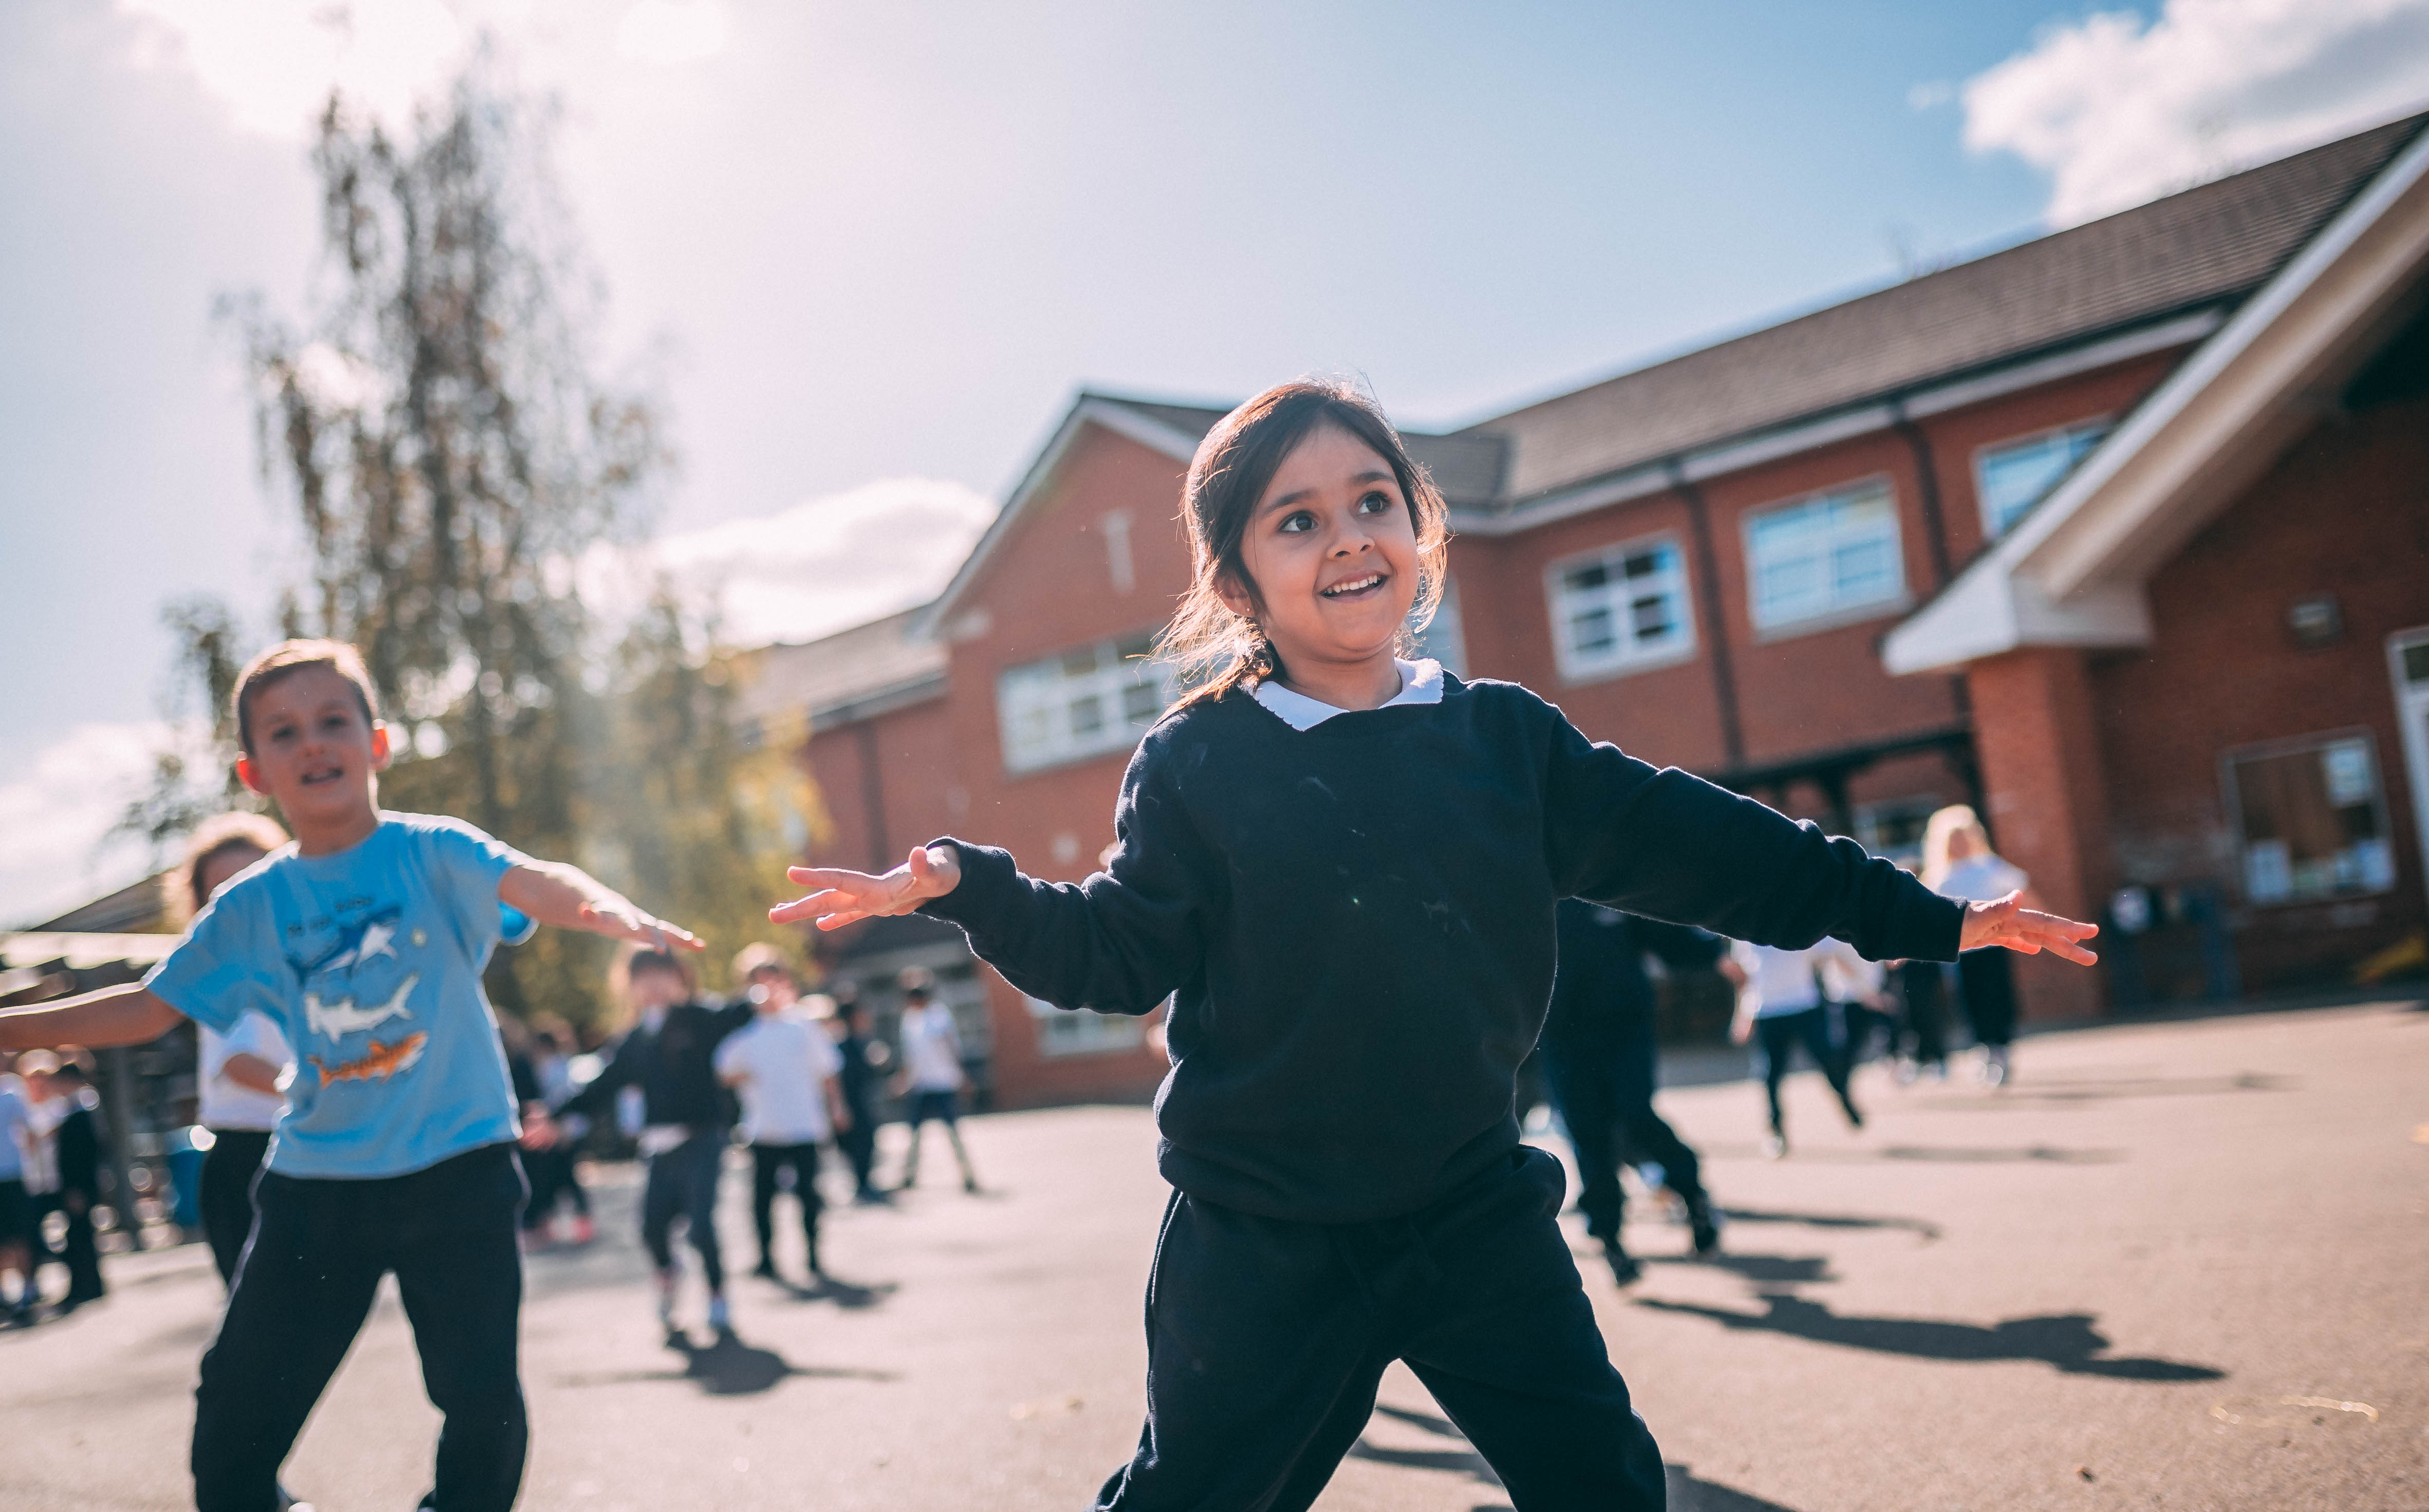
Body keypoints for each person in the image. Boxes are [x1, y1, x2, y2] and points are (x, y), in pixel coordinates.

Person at [770, 379, 2101, 1511]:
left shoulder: (1502, 739)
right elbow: (1112, 954)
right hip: (1262, 1228)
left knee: (1604, 1483)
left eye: (1370, 501)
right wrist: (963, 882)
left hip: (1467, 1205)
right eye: (1295, 520)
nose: (1345, 538)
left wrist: (1921, 911)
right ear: (1237, 577)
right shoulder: (1198, 759)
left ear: (1419, 527)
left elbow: (1707, 844)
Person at [0, 637, 702, 1512]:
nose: (313, 743)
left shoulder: (430, 851)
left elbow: (533, 879)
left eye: (334, 720)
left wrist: (600, 904)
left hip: (459, 1171)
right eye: (285, 732)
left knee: (480, 1408)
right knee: (231, 1440)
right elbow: (147, 1008)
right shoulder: (253, 903)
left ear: (377, 742)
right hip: (317, 1189)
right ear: (255, 771)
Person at [548, 947, 751, 1340]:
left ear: (680, 978)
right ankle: (668, 1277)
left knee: (701, 1226)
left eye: (663, 974)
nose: (655, 984)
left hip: (702, 1139)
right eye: (644, 977)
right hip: (658, 1147)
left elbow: (736, 1013)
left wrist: (762, 1000)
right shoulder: (634, 1038)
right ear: (631, 985)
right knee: (651, 1229)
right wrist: (555, 1115)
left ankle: (717, 1296)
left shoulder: (698, 1018)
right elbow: (602, 1085)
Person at [1541, 900, 1726, 1284]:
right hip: (1560, 1038)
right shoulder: (1522, 886)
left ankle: (1692, 1193)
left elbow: (1667, 936)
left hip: (1624, 1026)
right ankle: (1611, 1240)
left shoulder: (1601, 876)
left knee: (1635, 1115)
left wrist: (1715, 949)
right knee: (1587, 1134)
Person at [177, 813, 299, 1288]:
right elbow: (239, 1063)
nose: (240, 896)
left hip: (300, 1150)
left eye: (253, 878)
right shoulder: (219, 967)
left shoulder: (296, 956)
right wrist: (319, 1094)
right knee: (265, 1342)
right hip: (248, 1162)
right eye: (222, 888)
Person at [715, 945, 850, 1283]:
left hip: (804, 1125)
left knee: (809, 1196)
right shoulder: (744, 1034)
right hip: (764, 1129)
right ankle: (766, 1259)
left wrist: (837, 1106)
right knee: (762, 1201)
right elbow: (722, 1070)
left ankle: (813, 1257)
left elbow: (828, 1071)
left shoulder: (803, 1027)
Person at [1726, 937, 1873, 1159]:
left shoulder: (1797, 923)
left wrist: (1864, 991)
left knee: (1830, 1061)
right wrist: (1743, 1015)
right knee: (1770, 1074)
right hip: (1768, 1012)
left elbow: (1831, 955)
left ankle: (1846, 1101)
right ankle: (1776, 1132)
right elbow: (1746, 979)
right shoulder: (1746, 934)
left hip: (1805, 1006)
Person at [1921, 804, 2034, 1086]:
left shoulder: (1989, 866)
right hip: (1962, 953)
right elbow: (1922, 915)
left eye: (1963, 837)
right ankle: (1987, 1050)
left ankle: (2003, 1048)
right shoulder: (1938, 876)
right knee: (1970, 1002)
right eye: (1953, 838)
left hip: (1995, 947)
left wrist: (2036, 924)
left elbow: (2022, 893)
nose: (1958, 844)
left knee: (1998, 997)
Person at [892, 973, 980, 1194]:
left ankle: (968, 1175)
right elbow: (910, 1056)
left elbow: (953, 1048)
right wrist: (903, 1079)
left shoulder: (939, 1016)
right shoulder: (909, 1020)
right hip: (921, 1084)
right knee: (914, 1133)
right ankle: (909, 1176)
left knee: (952, 1131)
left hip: (943, 1082)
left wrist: (963, 1077)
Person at [518, 1018, 593, 1244]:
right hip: (565, 1130)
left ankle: (569, 1223)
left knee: (563, 1179)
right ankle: (576, 1223)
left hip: (558, 1130)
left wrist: (556, 1126)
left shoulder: (551, 1069)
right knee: (565, 1179)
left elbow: (560, 1102)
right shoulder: (564, 1065)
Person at [826, 986, 887, 1203]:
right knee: (858, 1146)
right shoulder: (845, 1044)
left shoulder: (855, 1042)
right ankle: (862, 1186)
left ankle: (864, 1184)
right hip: (852, 1105)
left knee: (866, 1145)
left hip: (860, 1102)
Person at [0, 1055, 38, 1324]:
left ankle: (27, 1288)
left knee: (19, 1236)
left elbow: (30, 1132)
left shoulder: (13, 1090)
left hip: (13, 1175)